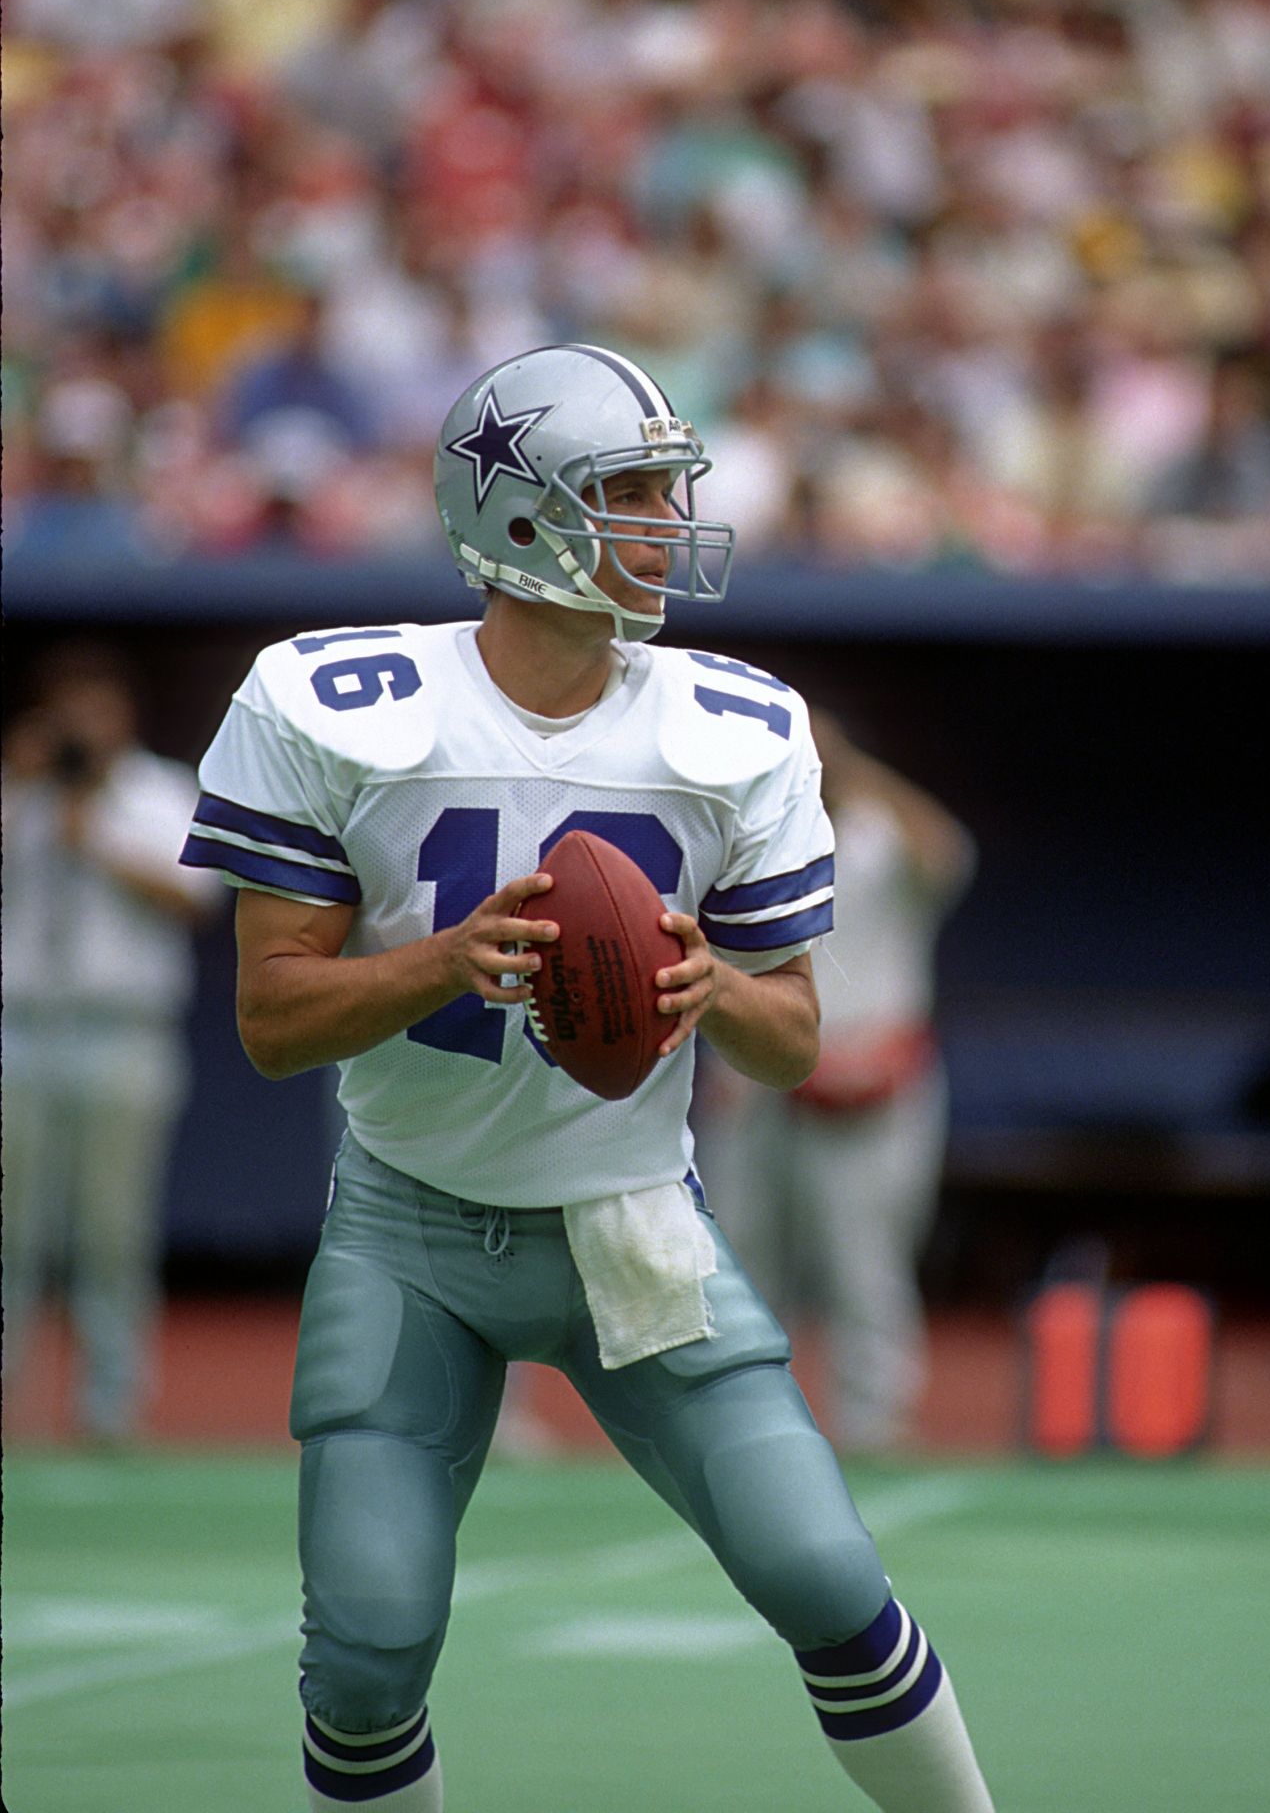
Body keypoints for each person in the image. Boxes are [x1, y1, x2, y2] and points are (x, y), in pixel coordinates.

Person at [181, 344, 995, 1813]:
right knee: (365, 1654)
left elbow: (793, 1033)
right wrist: (443, 960)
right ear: (509, 514)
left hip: (628, 1222)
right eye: (624, 491)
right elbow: (273, 1020)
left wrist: (710, 989)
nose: (661, 524)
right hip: (408, 1230)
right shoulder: (336, 703)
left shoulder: (730, 727)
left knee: (825, 1573)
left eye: (661, 491)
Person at [700, 713, 977, 1452]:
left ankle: (874, 1423)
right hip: (760, 1068)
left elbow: (949, 856)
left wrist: (852, 764)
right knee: (740, 1255)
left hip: (866, 1077)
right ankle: (744, 1420)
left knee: (865, 1261)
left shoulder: (881, 833)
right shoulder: (752, 832)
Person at [2, 641, 219, 1441]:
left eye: (97, 711)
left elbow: (194, 897)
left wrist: (86, 829)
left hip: (121, 1031)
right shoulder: (17, 792)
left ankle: (110, 1408)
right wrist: (27, 789)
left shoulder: (157, 792)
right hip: (19, 1027)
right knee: (10, 1231)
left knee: (111, 1230)